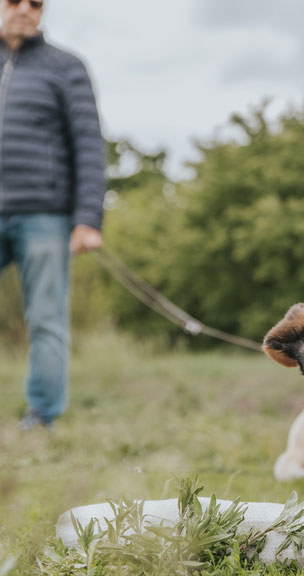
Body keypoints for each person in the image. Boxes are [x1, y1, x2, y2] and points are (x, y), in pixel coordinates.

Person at [0, 0, 106, 430]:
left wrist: (87, 219)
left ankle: (42, 416)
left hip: (44, 212)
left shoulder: (66, 67)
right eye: (14, 1)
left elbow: (88, 144)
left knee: (46, 318)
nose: (24, 9)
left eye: (36, 3)